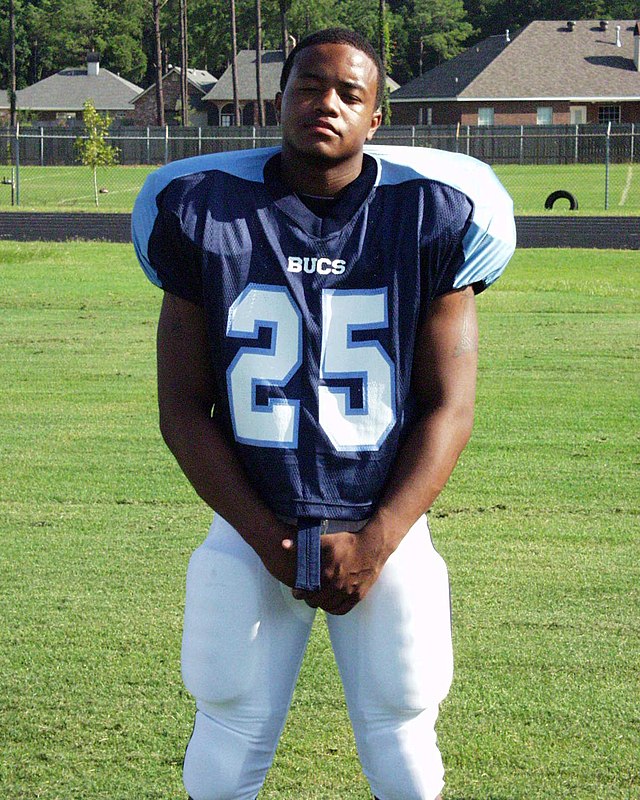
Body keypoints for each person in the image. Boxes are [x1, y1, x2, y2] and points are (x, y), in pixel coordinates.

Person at [132, 27, 515, 800]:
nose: (326, 104)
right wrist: (266, 536)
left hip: (383, 516)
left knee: (404, 732)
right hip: (251, 518)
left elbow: (450, 405)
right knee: (227, 731)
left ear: (377, 117)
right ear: (281, 100)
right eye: (309, 86)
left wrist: (376, 541)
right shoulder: (203, 214)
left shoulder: (434, 216)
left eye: (349, 93)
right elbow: (182, 408)